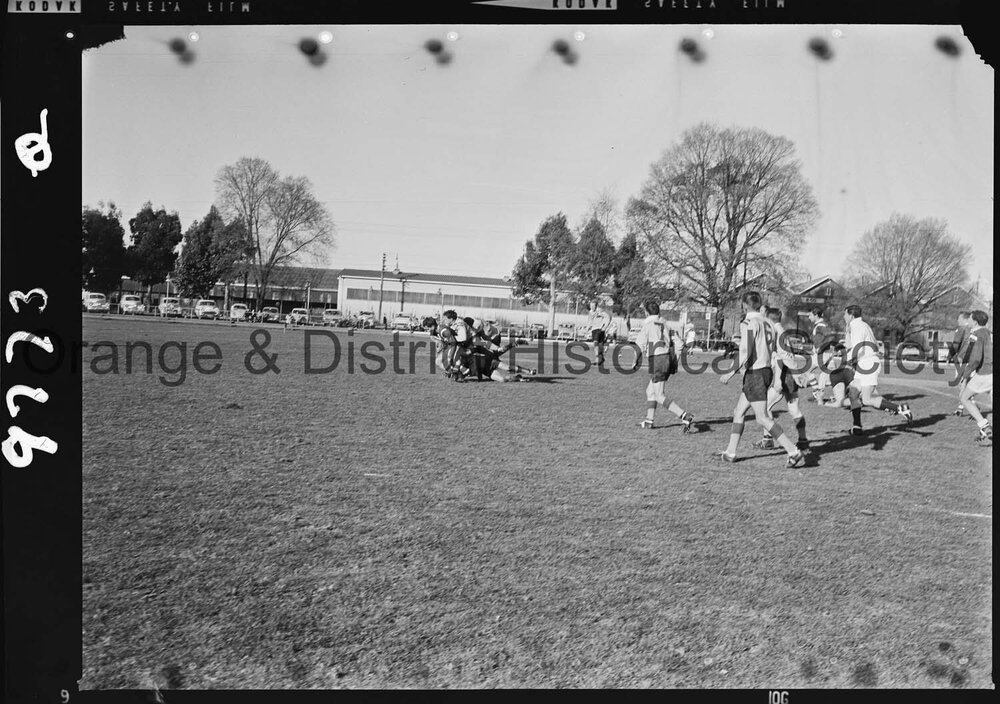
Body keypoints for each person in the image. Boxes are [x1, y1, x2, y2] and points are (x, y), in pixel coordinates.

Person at [719, 292, 806, 467]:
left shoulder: (751, 323)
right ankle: (730, 452)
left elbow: (745, 351)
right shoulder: (769, 322)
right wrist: (796, 371)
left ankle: (793, 451)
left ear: (744, 305)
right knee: (739, 411)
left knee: (762, 417)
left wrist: (730, 371)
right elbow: (781, 350)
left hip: (755, 374)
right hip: (765, 371)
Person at [843, 305, 912, 435]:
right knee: (853, 393)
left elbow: (857, 349)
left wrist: (845, 361)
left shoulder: (858, 327)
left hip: (868, 364)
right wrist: (847, 332)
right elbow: (855, 345)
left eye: (845, 314)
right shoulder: (861, 325)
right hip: (865, 363)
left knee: (867, 399)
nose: (843, 317)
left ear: (851, 315)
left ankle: (899, 408)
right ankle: (857, 427)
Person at [631, 300, 696, 432]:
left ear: (646, 312)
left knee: (659, 395)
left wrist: (634, 361)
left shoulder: (648, 325)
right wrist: (674, 360)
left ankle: (684, 415)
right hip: (666, 358)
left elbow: (639, 346)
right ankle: (649, 421)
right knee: (650, 391)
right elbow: (679, 344)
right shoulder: (666, 324)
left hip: (657, 359)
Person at [753, 308, 810, 452]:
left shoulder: (777, 333)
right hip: (790, 374)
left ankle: (768, 440)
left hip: (783, 375)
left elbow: (780, 358)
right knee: (794, 410)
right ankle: (803, 440)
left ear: (769, 319)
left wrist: (778, 380)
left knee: (764, 409)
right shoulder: (783, 331)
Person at [958, 310, 993, 443]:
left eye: (971, 319)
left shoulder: (977, 334)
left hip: (985, 372)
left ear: (976, 321)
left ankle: (984, 425)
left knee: (964, 398)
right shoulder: (989, 333)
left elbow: (976, 359)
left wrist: (966, 373)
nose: (969, 321)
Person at [806, 307, 836, 404]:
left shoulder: (821, 325)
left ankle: (816, 394)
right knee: (829, 376)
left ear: (816, 315)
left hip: (824, 354)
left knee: (808, 371)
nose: (809, 317)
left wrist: (821, 348)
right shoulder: (820, 325)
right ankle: (837, 395)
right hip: (826, 353)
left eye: (810, 315)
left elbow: (830, 337)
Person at [949, 311, 977, 416]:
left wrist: (949, 356)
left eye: (959, 318)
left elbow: (956, 344)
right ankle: (961, 408)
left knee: (962, 384)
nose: (957, 320)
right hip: (974, 361)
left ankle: (972, 406)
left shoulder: (962, 329)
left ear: (965, 319)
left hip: (963, 360)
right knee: (967, 384)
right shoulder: (976, 329)